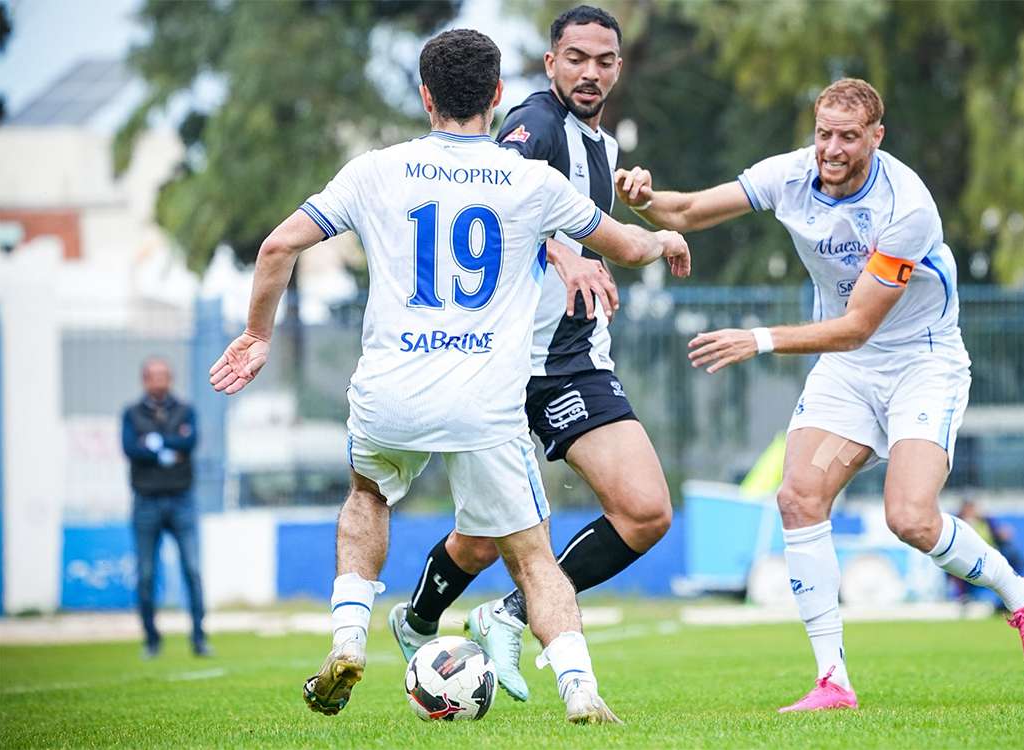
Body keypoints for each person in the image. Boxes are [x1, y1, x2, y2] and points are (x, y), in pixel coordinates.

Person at [208, 28, 689, 724]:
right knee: (532, 556)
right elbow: (630, 247)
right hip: (485, 401)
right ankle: (581, 691)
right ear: (497, 97)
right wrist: (663, 238)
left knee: (367, 500)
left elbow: (279, 244)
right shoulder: (530, 179)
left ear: (425, 95)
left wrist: (257, 335)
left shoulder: (376, 170)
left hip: (389, 394)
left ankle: (348, 639)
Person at [614, 78, 1024, 712]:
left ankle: (1023, 597)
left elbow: (857, 326)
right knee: (797, 498)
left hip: (920, 364)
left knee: (910, 518)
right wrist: (641, 198)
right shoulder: (791, 175)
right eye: (823, 132)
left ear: (876, 138)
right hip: (848, 372)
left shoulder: (909, 208)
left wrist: (760, 339)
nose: (830, 148)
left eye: (848, 137)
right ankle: (833, 681)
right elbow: (684, 212)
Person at [387, 6, 674, 706]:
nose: (591, 72)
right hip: (519, 362)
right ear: (551, 63)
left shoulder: (595, 145)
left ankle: (499, 615)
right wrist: (559, 258)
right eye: (576, 57)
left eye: (605, 60)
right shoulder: (534, 124)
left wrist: (636, 208)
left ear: (618, 67)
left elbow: (580, 218)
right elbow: (488, 199)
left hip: (575, 359)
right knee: (490, 538)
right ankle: (419, 620)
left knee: (643, 511)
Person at [121, 357, 210, 659]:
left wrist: (155, 443)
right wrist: (168, 447)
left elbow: (191, 443)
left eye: (164, 376)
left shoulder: (186, 410)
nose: (159, 382)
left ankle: (199, 638)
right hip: (145, 501)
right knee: (145, 574)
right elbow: (131, 448)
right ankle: (151, 640)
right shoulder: (131, 414)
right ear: (144, 380)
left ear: (170, 379)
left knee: (193, 569)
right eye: (153, 377)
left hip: (181, 500)